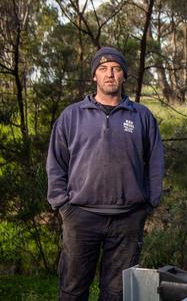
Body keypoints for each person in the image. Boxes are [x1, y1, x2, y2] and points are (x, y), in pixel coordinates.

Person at [47, 47, 164, 301]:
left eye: (116, 68)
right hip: (81, 218)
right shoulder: (72, 116)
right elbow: (56, 163)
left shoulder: (142, 117)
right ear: (94, 77)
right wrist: (63, 205)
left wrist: (148, 204)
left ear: (123, 75)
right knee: (72, 289)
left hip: (127, 220)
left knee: (116, 293)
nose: (109, 74)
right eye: (102, 69)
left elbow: (155, 162)